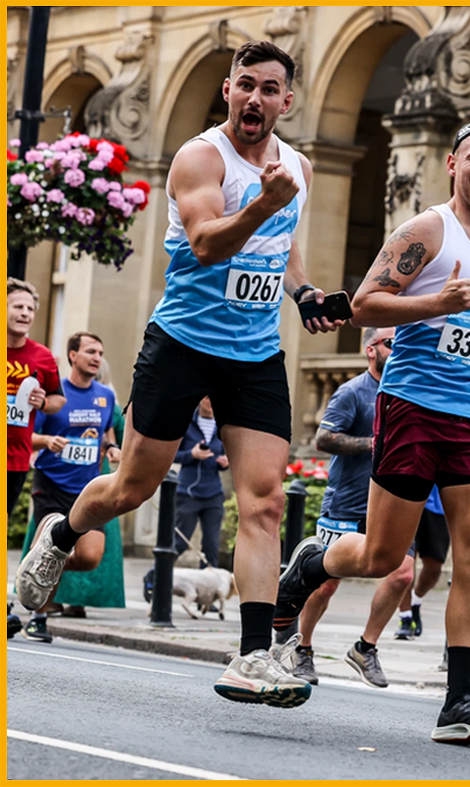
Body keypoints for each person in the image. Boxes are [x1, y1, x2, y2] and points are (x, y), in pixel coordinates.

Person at [15, 40, 342, 708]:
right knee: (132, 487)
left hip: (253, 355)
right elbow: (205, 240)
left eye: (268, 88)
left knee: (265, 500)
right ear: (227, 91)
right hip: (183, 343)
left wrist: (305, 294)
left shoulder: (298, 169)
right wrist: (259, 204)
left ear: (287, 100)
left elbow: (285, 247)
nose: (254, 98)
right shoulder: (200, 157)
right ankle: (62, 532)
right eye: (244, 85)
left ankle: (252, 655)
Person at [271, 117, 470, 747]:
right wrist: (434, 305)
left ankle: (458, 703)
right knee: (381, 557)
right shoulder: (426, 230)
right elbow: (365, 305)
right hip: (413, 408)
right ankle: (310, 561)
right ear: (453, 164)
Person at [280, 326, 412, 689]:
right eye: (389, 343)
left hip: (393, 501)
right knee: (325, 584)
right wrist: (374, 445)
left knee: (402, 574)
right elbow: (323, 438)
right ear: (371, 349)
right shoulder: (353, 391)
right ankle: (302, 648)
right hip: (349, 501)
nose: (396, 348)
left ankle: (365, 647)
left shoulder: (408, 390)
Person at [20, 332, 120, 642]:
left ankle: (38, 570)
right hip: (51, 483)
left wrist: (113, 448)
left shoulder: (105, 395)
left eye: (100, 352)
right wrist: (47, 440)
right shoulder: (54, 395)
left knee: (89, 557)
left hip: (88, 489)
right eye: (90, 351)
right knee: (48, 546)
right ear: (72, 355)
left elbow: (106, 432)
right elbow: (28, 434)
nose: (96, 357)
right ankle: (38, 617)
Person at [7, 278, 65, 519]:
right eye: (18, 306)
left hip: (15, 459)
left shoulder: (42, 356)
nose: (25, 313)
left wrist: (42, 403)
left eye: (30, 309)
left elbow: (58, 400)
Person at [173, 397, 228, 569]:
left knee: (211, 545)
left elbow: (226, 456)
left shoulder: (223, 424)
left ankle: (208, 590)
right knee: (179, 543)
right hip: (188, 493)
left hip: (213, 493)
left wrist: (226, 462)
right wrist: (192, 454)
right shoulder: (186, 422)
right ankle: (154, 580)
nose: (210, 401)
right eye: (207, 397)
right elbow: (171, 454)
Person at [395, 485, 450, 641]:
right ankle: (405, 618)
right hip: (408, 499)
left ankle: (415, 601)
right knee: (405, 563)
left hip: (439, 504)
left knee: (434, 566)